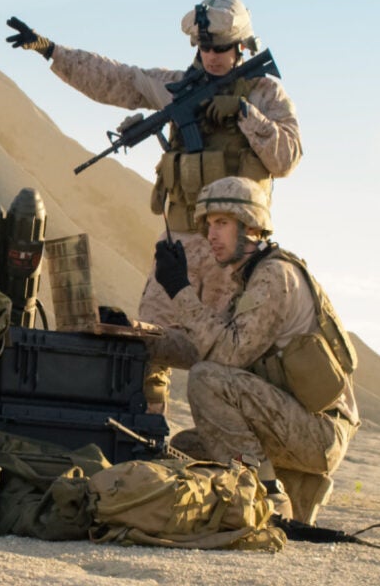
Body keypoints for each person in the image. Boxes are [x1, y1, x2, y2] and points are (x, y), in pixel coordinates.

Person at [6, 0, 302, 411]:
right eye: (204, 48)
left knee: (227, 359)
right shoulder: (177, 87)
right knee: (144, 347)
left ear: (241, 47)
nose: (212, 57)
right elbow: (118, 79)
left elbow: (287, 157)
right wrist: (51, 51)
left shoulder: (264, 94)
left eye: (221, 48)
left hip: (234, 253)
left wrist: (243, 114)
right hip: (179, 243)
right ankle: (145, 436)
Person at [150, 176, 358, 524]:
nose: (211, 235)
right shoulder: (250, 279)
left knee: (206, 380)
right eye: (208, 225)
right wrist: (142, 338)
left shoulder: (273, 276)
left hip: (319, 431)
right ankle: (291, 490)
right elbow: (209, 342)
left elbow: (226, 357)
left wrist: (179, 289)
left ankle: (263, 495)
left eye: (222, 223)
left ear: (250, 226)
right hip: (296, 422)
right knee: (187, 450)